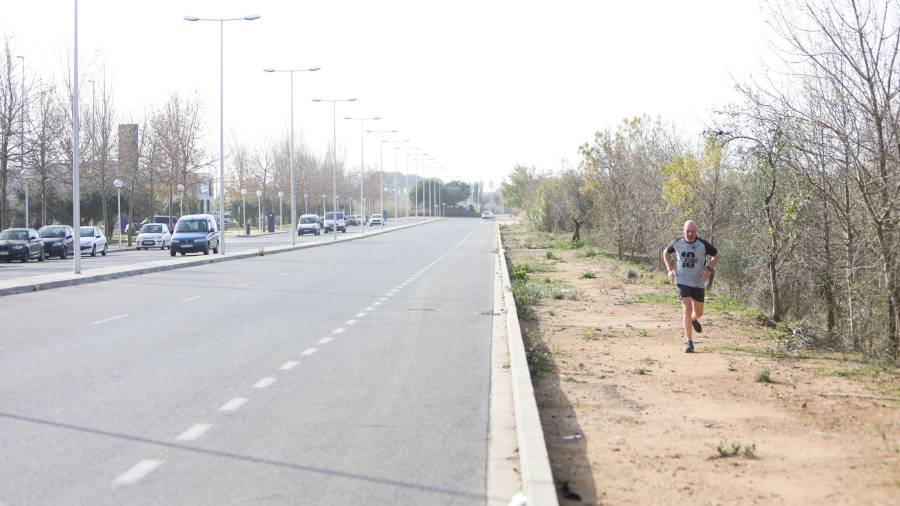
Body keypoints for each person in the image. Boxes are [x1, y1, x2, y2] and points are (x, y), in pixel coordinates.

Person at [662, 220, 719, 353]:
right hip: (682, 280)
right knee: (687, 309)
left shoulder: (703, 244)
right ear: (684, 231)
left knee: (698, 313)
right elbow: (666, 252)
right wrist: (670, 269)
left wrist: (708, 268)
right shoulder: (677, 242)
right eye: (688, 231)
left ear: (696, 232)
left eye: (693, 231)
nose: (690, 234)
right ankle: (689, 342)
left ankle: (693, 320)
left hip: (698, 282)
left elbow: (717, 255)